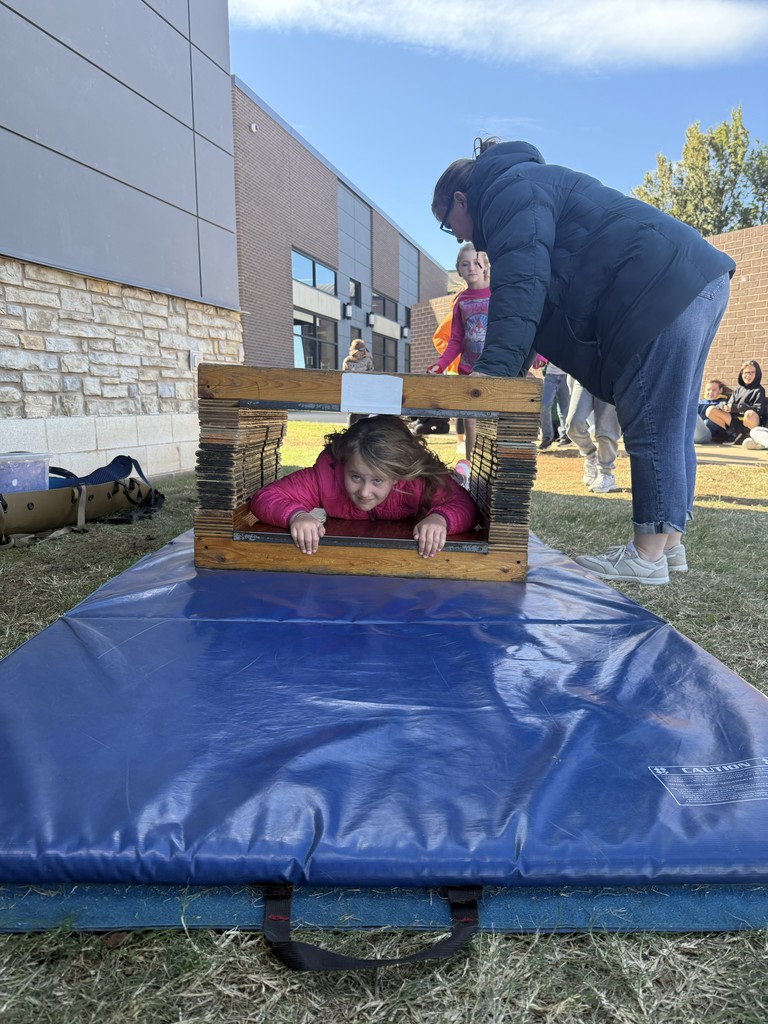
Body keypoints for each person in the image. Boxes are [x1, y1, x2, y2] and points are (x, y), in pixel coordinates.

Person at [432, 136, 735, 585]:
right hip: (692, 279)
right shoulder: (525, 182)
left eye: (447, 224)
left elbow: (521, 289)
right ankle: (669, 545)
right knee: (671, 423)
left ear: (461, 199)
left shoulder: (505, 191)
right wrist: (510, 376)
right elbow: (536, 304)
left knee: (652, 424)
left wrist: (491, 377)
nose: (459, 236)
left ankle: (647, 555)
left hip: (659, 287)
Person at [250, 415, 479, 559]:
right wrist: (297, 516)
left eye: (377, 480)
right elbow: (265, 497)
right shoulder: (326, 476)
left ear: (397, 476)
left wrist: (440, 519)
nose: (364, 492)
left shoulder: (418, 481)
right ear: (344, 464)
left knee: (457, 484)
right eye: (356, 477)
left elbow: (465, 505)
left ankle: (461, 473)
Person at [426, 243, 490, 470]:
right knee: (470, 421)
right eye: (465, 264)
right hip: (468, 369)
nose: (472, 268)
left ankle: (492, 469)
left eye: (476, 263)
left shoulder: (499, 294)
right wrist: (441, 364)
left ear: (485, 266)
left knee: (493, 423)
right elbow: (455, 339)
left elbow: (518, 328)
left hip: (495, 369)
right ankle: (472, 469)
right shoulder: (461, 301)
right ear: (459, 270)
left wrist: (537, 354)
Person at [565, 379, 622, 494]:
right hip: (582, 377)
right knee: (573, 424)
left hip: (610, 378)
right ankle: (591, 457)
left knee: (606, 431)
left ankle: (606, 473)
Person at [703, 360, 766, 445]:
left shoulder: (759, 390)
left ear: (757, 374)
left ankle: (752, 437)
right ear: (742, 373)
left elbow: (758, 410)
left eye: (752, 373)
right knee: (710, 410)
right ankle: (735, 434)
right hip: (735, 421)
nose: (748, 375)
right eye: (746, 372)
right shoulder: (737, 389)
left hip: (750, 421)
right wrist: (723, 406)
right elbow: (729, 403)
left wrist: (736, 408)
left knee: (750, 413)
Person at [537, 360, 572, 451]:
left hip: (567, 376)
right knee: (544, 405)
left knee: (565, 407)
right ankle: (547, 438)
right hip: (550, 375)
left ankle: (566, 436)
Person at [342, 338, 375, 425]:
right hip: (353, 390)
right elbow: (345, 374)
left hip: (365, 389)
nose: (360, 353)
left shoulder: (367, 360)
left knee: (364, 413)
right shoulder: (348, 360)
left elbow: (371, 373)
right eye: (359, 351)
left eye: (362, 350)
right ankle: (351, 428)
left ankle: (362, 429)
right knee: (353, 413)